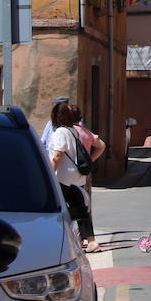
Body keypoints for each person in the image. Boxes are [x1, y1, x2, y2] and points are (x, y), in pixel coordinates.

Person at [46, 103, 96, 250]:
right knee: (80, 208)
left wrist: (50, 173)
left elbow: (58, 155)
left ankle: (64, 240)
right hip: (77, 177)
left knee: (59, 209)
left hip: (63, 178)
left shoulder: (61, 132)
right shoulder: (73, 130)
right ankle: (89, 240)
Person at [72, 112, 106, 252]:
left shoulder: (68, 132)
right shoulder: (85, 132)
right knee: (84, 205)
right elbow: (102, 145)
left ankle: (80, 239)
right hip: (84, 172)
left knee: (74, 206)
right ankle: (83, 239)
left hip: (69, 174)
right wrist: (90, 160)